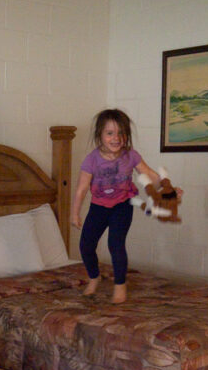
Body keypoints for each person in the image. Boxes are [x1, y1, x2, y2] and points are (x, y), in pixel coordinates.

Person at [70, 108, 173, 304]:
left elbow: (149, 174)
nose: (116, 138)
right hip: (98, 207)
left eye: (121, 133)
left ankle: (120, 285)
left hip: (122, 205)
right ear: (100, 135)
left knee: (115, 244)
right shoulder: (92, 159)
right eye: (110, 133)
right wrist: (75, 214)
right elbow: (81, 189)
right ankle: (94, 277)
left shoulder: (131, 155)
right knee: (85, 245)